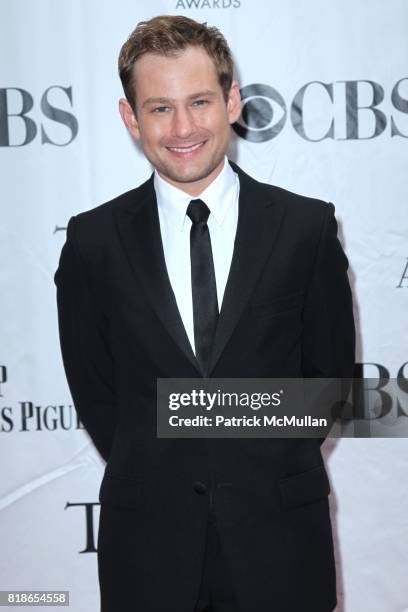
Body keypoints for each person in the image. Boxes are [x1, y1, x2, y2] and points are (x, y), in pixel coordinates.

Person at [54, 14, 355, 612]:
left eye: (199, 101)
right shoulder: (93, 243)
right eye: (160, 108)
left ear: (232, 101)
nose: (184, 127)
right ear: (130, 118)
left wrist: (193, 417)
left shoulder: (305, 228)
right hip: (148, 547)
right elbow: (99, 398)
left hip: (281, 542)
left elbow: (327, 392)